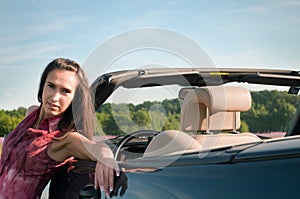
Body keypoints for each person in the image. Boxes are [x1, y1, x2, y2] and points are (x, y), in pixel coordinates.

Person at [0, 58, 119, 198]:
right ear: (42, 85)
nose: (55, 97)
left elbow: (98, 148)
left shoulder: (64, 139)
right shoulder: (31, 113)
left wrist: (106, 159)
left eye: (65, 91)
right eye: (51, 86)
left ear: (75, 98)